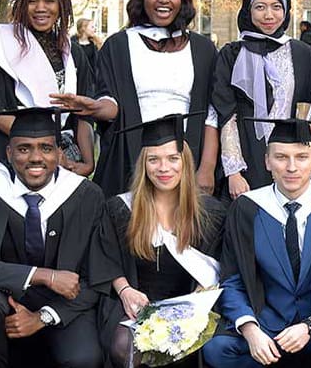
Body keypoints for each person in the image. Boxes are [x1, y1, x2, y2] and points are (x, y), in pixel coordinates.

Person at [0, 107, 104, 368]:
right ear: (8, 153)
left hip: (62, 304)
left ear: (59, 153)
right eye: (24, 149)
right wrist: (45, 275)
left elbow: (98, 274)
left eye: (46, 148)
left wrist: (43, 317)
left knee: (84, 358)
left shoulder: (87, 196)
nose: (36, 158)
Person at [202, 118, 311, 368]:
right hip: (266, 323)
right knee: (217, 348)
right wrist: (250, 329)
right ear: (267, 161)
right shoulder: (247, 209)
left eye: (302, 157)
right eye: (281, 157)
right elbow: (232, 280)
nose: (291, 167)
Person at [52, 0, 219, 198]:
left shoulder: (203, 49)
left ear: (183, 0)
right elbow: (111, 100)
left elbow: (212, 114)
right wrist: (96, 108)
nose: (163, 0)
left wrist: (206, 168)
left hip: (187, 157)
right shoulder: (119, 45)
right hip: (131, 157)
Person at [89, 113, 226, 368]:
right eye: (154, 160)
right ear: (144, 164)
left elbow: (218, 269)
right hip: (134, 305)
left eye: (173, 159)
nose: (164, 168)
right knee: (125, 345)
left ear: (185, 162)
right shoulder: (121, 210)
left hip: (189, 305)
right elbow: (105, 258)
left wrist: (195, 306)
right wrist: (125, 291)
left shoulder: (210, 213)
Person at [0, 0, 95, 178]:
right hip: (17, 158)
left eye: (49, 1)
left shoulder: (73, 52)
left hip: (68, 156)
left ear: (61, 4)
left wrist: (87, 162)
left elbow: (83, 115)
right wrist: (48, 149)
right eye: (31, 1)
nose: (41, 8)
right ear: (20, 3)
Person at [212, 0, 311, 201]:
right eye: (260, 7)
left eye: (276, 7)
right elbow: (226, 115)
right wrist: (234, 171)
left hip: (294, 164)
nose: (269, 15)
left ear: (285, 10)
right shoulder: (232, 54)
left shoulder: (304, 54)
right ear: (247, 10)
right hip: (249, 163)